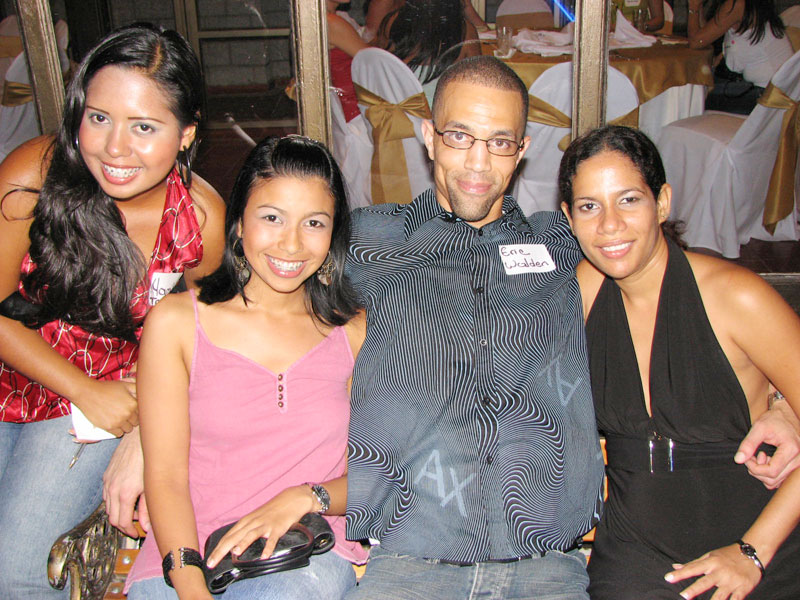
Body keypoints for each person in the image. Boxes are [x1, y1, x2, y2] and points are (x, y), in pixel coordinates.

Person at [344, 55, 604, 600]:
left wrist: (778, 398)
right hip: (410, 559)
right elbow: (244, 293)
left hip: (544, 566)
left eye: (499, 142)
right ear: (429, 137)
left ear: (522, 150)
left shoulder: (562, 243)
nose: (478, 162)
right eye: (459, 136)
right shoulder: (366, 241)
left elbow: (665, 275)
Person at [0, 24, 225, 598]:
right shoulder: (34, 175)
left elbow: (213, 338)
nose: (114, 147)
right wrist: (82, 388)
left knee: (17, 574)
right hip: (19, 365)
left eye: (144, 126)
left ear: (186, 134)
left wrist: (148, 429)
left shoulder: (198, 218)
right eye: (98, 117)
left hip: (104, 400)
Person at [557, 125, 800, 600]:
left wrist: (752, 552)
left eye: (629, 200)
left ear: (662, 202)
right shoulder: (581, 291)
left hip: (757, 546)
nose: (609, 225)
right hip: (635, 556)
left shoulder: (735, 297)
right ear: (568, 217)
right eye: (589, 206)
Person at [125, 135, 368, 600]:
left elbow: (387, 470)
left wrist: (308, 496)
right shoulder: (177, 324)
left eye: (314, 223)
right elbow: (166, 477)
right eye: (272, 218)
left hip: (301, 552)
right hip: (184, 552)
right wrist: (190, 584)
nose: (291, 244)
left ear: (334, 234)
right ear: (238, 223)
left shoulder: (353, 332)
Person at [688, 0, 791, 114]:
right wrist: (699, 7)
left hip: (768, 99)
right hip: (776, 92)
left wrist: (693, 7)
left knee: (696, 102)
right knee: (701, 91)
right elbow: (706, 36)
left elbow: (696, 42)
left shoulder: (737, 5)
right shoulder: (749, 4)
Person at [376, 0, 480, 105]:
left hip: (397, 112)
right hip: (442, 113)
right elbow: (478, 89)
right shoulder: (466, 31)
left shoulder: (391, 22)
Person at [364, 0, 485, 42]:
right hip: (403, 77)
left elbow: (483, 31)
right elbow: (370, 47)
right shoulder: (384, 3)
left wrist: (466, 6)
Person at [328, 0, 369, 123]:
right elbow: (373, 61)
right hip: (355, 113)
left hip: (348, 110)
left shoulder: (330, 19)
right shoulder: (332, 22)